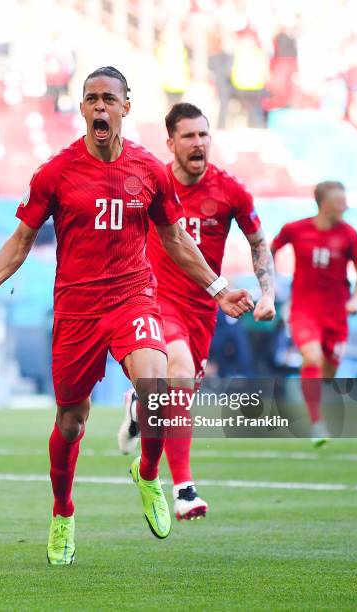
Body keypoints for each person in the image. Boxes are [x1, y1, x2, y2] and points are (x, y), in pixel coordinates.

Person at [0, 67, 254, 565]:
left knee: (157, 389)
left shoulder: (150, 171)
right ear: (81, 109)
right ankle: (62, 513)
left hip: (133, 298)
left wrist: (220, 287)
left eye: (109, 99)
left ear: (126, 107)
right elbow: (21, 240)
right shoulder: (54, 173)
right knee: (72, 421)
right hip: (77, 309)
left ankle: (147, 474)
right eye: (91, 99)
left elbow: (176, 240)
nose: (100, 107)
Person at [117, 103, 275, 520]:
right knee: (180, 370)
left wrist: (268, 294)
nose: (198, 143)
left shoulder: (231, 191)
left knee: (178, 394)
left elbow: (259, 244)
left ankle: (140, 411)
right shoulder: (152, 182)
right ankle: (184, 489)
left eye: (203, 135)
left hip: (204, 307)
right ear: (171, 143)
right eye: (188, 136)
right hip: (151, 296)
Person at [271, 181, 357, 445]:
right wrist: (271, 283)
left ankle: (310, 388)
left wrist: (356, 299)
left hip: (336, 312)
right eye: (340, 202)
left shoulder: (349, 235)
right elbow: (269, 249)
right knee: (311, 357)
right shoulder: (295, 229)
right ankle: (317, 424)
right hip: (304, 308)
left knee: (328, 371)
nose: (345, 206)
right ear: (324, 204)